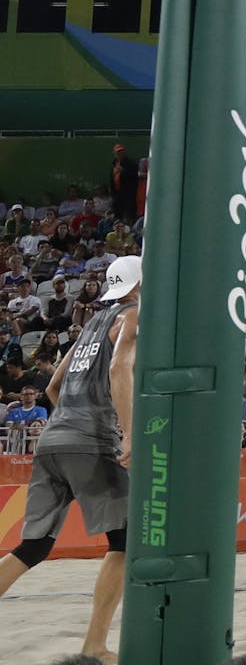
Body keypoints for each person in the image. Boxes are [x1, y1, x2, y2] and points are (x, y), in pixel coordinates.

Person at [0, 255, 140, 663]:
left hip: (52, 439)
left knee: (33, 547)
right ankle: (94, 644)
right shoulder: (133, 315)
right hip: (89, 441)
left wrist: (69, 423)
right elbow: (119, 370)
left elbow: (54, 386)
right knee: (125, 541)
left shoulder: (92, 324)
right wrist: (124, 431)